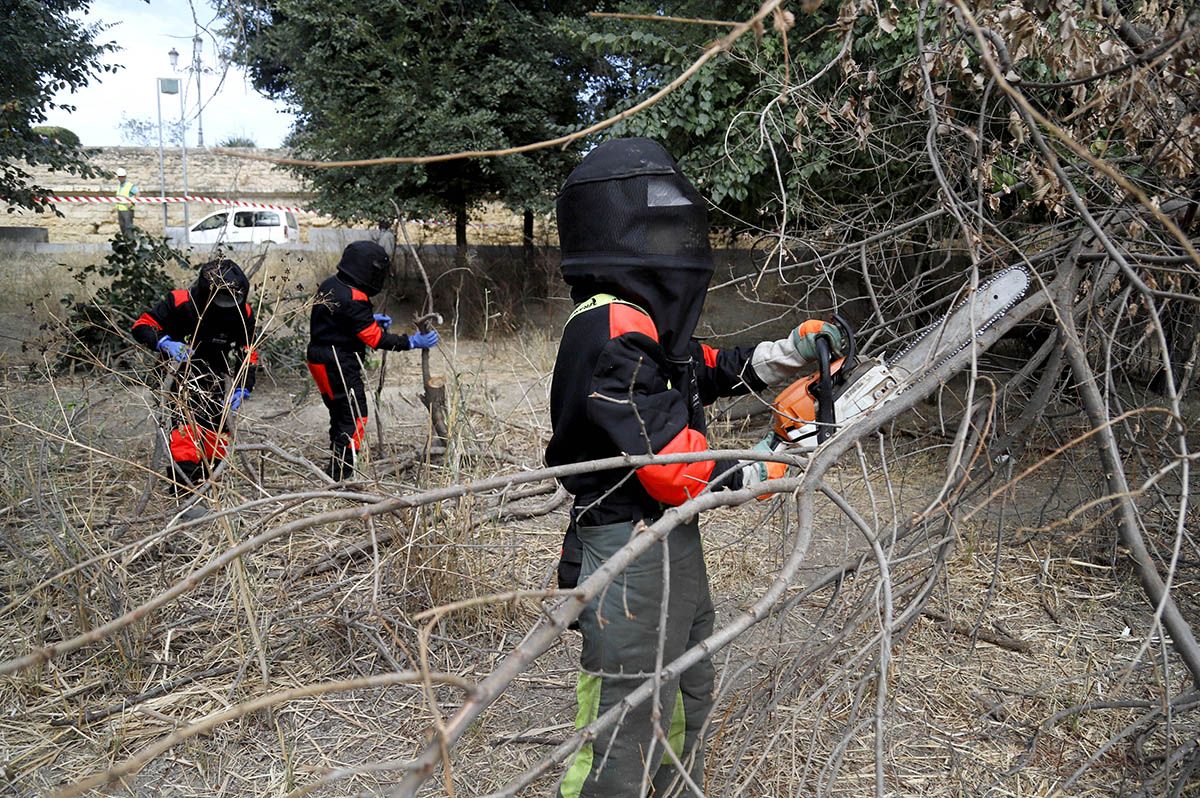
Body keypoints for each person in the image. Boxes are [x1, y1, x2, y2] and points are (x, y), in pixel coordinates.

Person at [545, 137, 845, 798]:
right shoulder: (609, 329)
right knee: (621, 716)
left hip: (669, 531)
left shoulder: (637, 321)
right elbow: (668, 466)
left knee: (685, 685)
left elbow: (690, 372)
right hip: (625, 538)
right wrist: (765, 465)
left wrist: (778, 357)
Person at [306, 241, 439, 480]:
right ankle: (342, 476)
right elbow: (375, 339)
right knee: (354, 416)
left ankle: (336, 467)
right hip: (338, 362)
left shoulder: (331, 284)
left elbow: (336, 320)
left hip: (319, 358)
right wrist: (412, 342)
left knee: (340, 412)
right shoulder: (355, 298)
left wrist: (367, 320)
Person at [131, 259, 258, 493]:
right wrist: (163, 342)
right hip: (178, 371)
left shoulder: (244, 312)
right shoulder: (180, 302)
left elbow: (248, 350)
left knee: (217, 432)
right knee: (186, 432)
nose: (227, 305)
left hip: (217, 374)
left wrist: (243, 386)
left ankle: (210, 487)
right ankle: (185, 492)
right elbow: (141, 325)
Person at [114, 167, 137, 236]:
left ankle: (131, 244)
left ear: (125, 176)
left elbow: (137, 194)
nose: (121, 178)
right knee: (122, 228)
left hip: (127, 210)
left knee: (128, 228)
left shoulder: (130, 186)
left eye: (122, 177)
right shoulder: (119, 186)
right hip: (120, 209)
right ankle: (126, 243)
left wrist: (131, 203)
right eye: (120, 177)